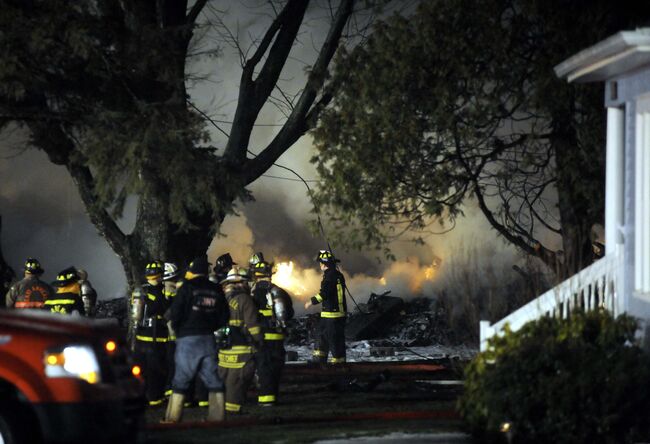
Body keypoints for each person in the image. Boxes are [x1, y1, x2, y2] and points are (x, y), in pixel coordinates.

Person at [165, 255, 229, 423]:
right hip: (208, 338)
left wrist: (178, 331)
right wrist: (210, 328)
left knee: (181, 378)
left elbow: (175, 313)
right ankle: (217, 417)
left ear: (192, 271)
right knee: (212, 377)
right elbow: (224, 317)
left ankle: (172, 417)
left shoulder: (187, 287)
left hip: (188, 339)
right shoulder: (216, 289)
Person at [217, 266, 262, 415]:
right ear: (239, 283)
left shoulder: (221, 299)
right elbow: (253, 325)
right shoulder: (245, 299)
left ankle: (220, 412)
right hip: (242, 351)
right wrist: (259, 342)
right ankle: (233, 414)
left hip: (223, 351)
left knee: (224, 383)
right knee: (236, 385)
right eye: (244, 282)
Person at [250, 260, 294, 406]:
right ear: (270, 275)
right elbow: (289, 313)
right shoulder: (279, 292)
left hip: (259, 337)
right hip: (277, 337)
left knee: (263, 368)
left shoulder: (250, 294)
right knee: (276, 367)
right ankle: (273, 396)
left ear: (256, 276)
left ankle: (265, 399)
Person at [132, 260, 170, 407]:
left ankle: (140, 397)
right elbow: (165, 310)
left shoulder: (140, 290)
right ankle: (155, 399)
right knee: (156, 370)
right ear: (160, 275)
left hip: (141, 338)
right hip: (156, 339)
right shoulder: (160, 292)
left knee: (141, 370)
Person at [304, 250, 347, 364]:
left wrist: (311, 302)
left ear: (324, 264)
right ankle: (319, 361)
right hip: (329, 314)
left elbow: (324, 294)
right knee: (321, 335)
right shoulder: (336, 275)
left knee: (334, 340)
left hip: (334, 315)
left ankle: (338, 365)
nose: (320, 265)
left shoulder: (330, 276)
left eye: (320, 263)